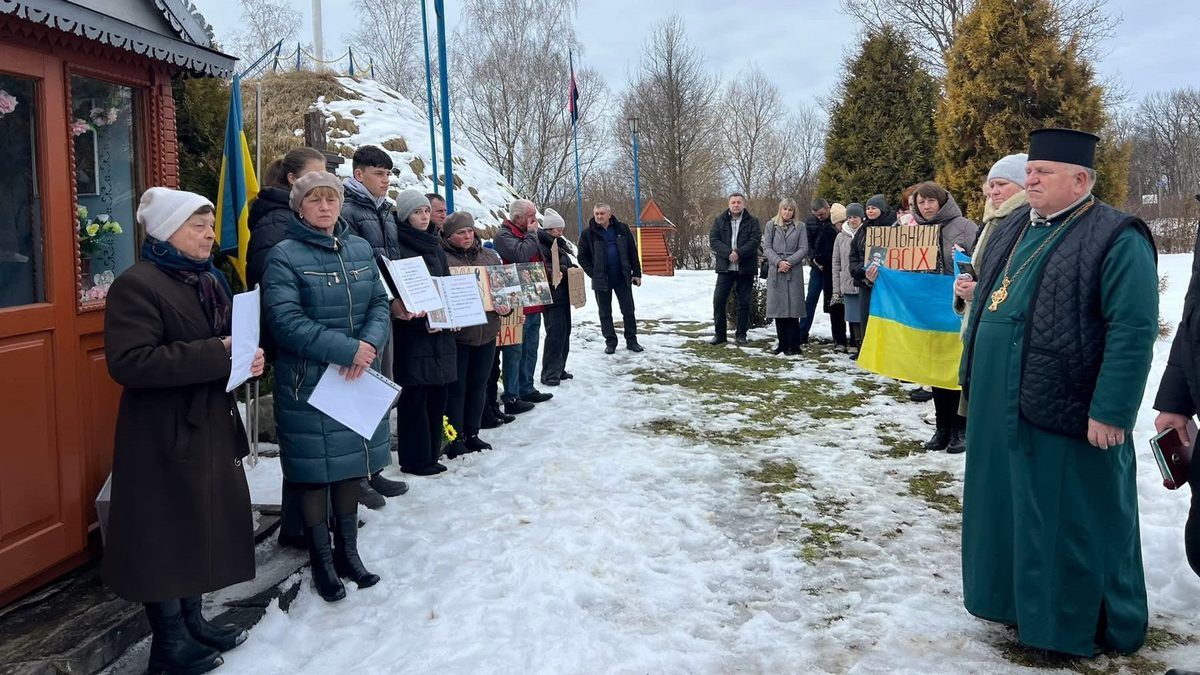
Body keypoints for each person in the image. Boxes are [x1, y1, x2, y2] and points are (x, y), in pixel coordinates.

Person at [960, 128, 1159, 657]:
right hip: (1000, 407)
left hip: (1066, 406)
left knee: (1061, 517)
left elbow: (1132, 329)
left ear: (1080, 179)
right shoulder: (1014, 227)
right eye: (1029, 171)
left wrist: (1112, 410)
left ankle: (1069, 627)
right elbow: (998, 294)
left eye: (1042, 172)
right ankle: (1011, 606)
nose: (1030, 179)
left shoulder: (1116, 236)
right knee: (1007, 510)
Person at [103, 188, 264, 674]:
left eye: (211, 226)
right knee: (165, 534)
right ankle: (169, 643)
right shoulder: (138, 284)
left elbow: (223, 344)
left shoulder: (207, 278)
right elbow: (130, 362)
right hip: (161, 433)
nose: (210, 235)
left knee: (197, 524)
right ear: (166, 231)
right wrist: (220, 352)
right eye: (199, 226)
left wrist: (246, 359)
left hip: (207, 420)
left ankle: (193, 622)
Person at [263, 172, 392, 602]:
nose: (324, 207)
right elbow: (285, 322)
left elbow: (379, 301)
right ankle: (322, 560)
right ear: (299, 207)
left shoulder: (358, 247)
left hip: (355, 377)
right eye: (315, 200)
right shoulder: (284, 255)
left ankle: (349, 554)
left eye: (331, 199)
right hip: (311, 381)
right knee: (316, 472)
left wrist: (369, 345)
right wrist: (346, 349)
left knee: (351, 466)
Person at [245, 147, 330, 546]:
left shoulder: (291, 219)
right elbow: (274, 287)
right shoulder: (275, 223)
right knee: (303, 438)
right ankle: (301, 526)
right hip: (296, 344)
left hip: (316, 339)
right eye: (317, 176)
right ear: (294, 180)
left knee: (317, 435)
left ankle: (313, 519)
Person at [339, 145, 409, 506]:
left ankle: (375, 467)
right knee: (362, 393)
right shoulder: (348, 210)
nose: (385, 180)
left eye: (387, 174)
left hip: (386, 311)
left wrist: (403, 298)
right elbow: (356, 266)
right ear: (359, 174)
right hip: (362, 315)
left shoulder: (385, 211)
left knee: (381, 390)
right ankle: (356, 476)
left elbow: (391, 261)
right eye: (378, 174)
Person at [953, 153, 1028, 417]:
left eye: (1002, 184)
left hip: (1001, 325)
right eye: (991, 185)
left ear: (1023, 185)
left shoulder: (1023, 221)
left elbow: (1019, 276)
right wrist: (966, 286)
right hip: (979, 318)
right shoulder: (991, 221)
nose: (993, 191)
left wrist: (980, 291)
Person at [392, 189, 459, 474]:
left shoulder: (434, 244)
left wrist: (452, 312)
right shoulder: (399, 243)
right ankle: (415, 458)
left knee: (438, 394)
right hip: (415, 331)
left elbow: (444, 283)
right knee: (415, 396)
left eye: (426, 211)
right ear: (406, 215)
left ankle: (432, 453)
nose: (423, 216)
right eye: (417, 212)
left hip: (440, 329)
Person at [909, 181, 978, 453]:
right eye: (921, 203)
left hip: (957, 310)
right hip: (930, 312)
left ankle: (961, 428)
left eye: (930, 201)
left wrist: (964, 260)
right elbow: (906, 269)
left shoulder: (965, 226)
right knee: (936, 370)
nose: (926, 207)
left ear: (942, 201)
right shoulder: (914, 233)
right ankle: (942, 427)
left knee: (957, 370)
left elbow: (981, 262)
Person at [440, 211, 509, 456]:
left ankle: (473, 432)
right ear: (449, 235)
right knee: (456, 389)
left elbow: (503, 291)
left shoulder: (489, 256)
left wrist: (505, 306)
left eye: (470, 230)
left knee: (479, 385)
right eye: (461, 232)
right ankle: (454, 437)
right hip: (459, 336)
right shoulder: (443, 258)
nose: (467, 236)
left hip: (487, 332)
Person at [495, 199, 555, 410]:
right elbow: (520, 255)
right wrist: (532, 234)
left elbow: (538, 256)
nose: (534, 221)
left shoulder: (528, 233)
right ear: (517, 217)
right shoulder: (503, 235)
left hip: (533, 300)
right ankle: (511, 395)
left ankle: (527, 387)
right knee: (514, 352)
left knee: (531, 348)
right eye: (530, 216)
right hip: (515, 304)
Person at [577, 202, 644, 354]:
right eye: (597, 214)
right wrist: (593, 273)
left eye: (602, 213)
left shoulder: (622, 229)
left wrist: (637, 273)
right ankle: (610, 342)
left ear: (609, 214)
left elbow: (632, 252)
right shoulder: (588, 233)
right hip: (601, 280)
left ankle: (632, 341)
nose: (599, 216)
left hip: (622, 277)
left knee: (628, 310)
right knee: (605, 312)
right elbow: (582, 257)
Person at [708, 192, 762, 346]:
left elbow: (755, 241)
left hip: (745, 268)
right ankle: (720, 335)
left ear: (743, 204)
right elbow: (714, 240)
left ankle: (741, 335)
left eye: (739, 202)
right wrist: (728, 253)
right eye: (733, 202)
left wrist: (738, 253)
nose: (736, 205)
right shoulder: (720, 220)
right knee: (718, 301)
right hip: (726, 268)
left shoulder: (753, 221)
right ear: (729, 204)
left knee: (744, 303)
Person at [762, 198, 809, 355]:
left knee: (793, 310)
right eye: (785, 209)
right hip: (776, 271)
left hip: (793, 270)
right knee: (779, 310)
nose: (787, 212)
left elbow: (803, 248)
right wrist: (778, 262)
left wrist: (788, 261)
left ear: (794, 211)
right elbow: (766, 247)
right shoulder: (771, 225)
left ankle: (794, 345)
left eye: (790, 210)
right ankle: (782, 344)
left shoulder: (800, 227)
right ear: (780, 210)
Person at [847, 193, 897, 338]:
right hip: (865, 281)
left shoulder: (893, 227)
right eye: (868, 208)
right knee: (866, 319)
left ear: (882, 209)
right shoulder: (863, 229)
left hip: (886, 282)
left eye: (873, 208)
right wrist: (857, 270)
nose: (870, 211)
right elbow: (854, 252)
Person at [537, 208, 576, 385]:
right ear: (549, 229)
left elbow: (565, 263)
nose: (561, 232)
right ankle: (549, 373)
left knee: (565, 333)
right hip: (552, 296)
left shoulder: (559, 244)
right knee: (555, 334)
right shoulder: (542, 244)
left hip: (564, 294)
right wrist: (566, 271)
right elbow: (545, 269)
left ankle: (559, 369)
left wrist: (572, 269)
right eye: (557, 229)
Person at [812, 200, 848, 349]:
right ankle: (839, 340)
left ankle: (853, 339)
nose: (843, 224)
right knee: (836, 309)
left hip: (848, 276)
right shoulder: (828, 232)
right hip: (831, 276)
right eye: (840, 222)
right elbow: (819, 254)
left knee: (850, 309)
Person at [831, 203, 865, 356]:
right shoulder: (840, 237)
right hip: (847, 281)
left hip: (864, 282)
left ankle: (864, 346)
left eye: (855, 217)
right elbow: (836, 262)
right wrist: (836, 289)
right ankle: (855, 343)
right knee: (851, 315)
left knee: (863, 315)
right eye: (850, 217)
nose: (852, 220)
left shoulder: (867, 233)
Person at [799, 198, 833, 343]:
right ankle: (802, 333)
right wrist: (813, 259)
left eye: (822, 215)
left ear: (828, 208)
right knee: (811, 299)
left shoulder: (835, 220)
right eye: (817, 215)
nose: (819, 218)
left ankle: (839, 336)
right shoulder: (810, 222)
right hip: (816, 267)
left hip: (832, 268)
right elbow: (808, 243)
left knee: (834, 302)